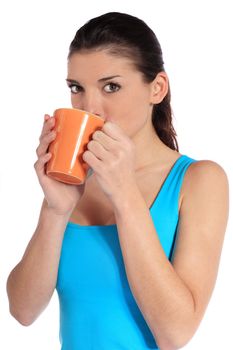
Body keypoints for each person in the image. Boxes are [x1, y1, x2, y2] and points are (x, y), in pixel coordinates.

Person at [6, 11, 229, 350]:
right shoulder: (73, 181)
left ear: (157, 88)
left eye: (111, 86)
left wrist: (124, 194)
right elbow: (22, 311)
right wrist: (55, 211)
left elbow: (175, 333)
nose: (89, 107)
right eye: (76, 88)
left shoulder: (199, 181)